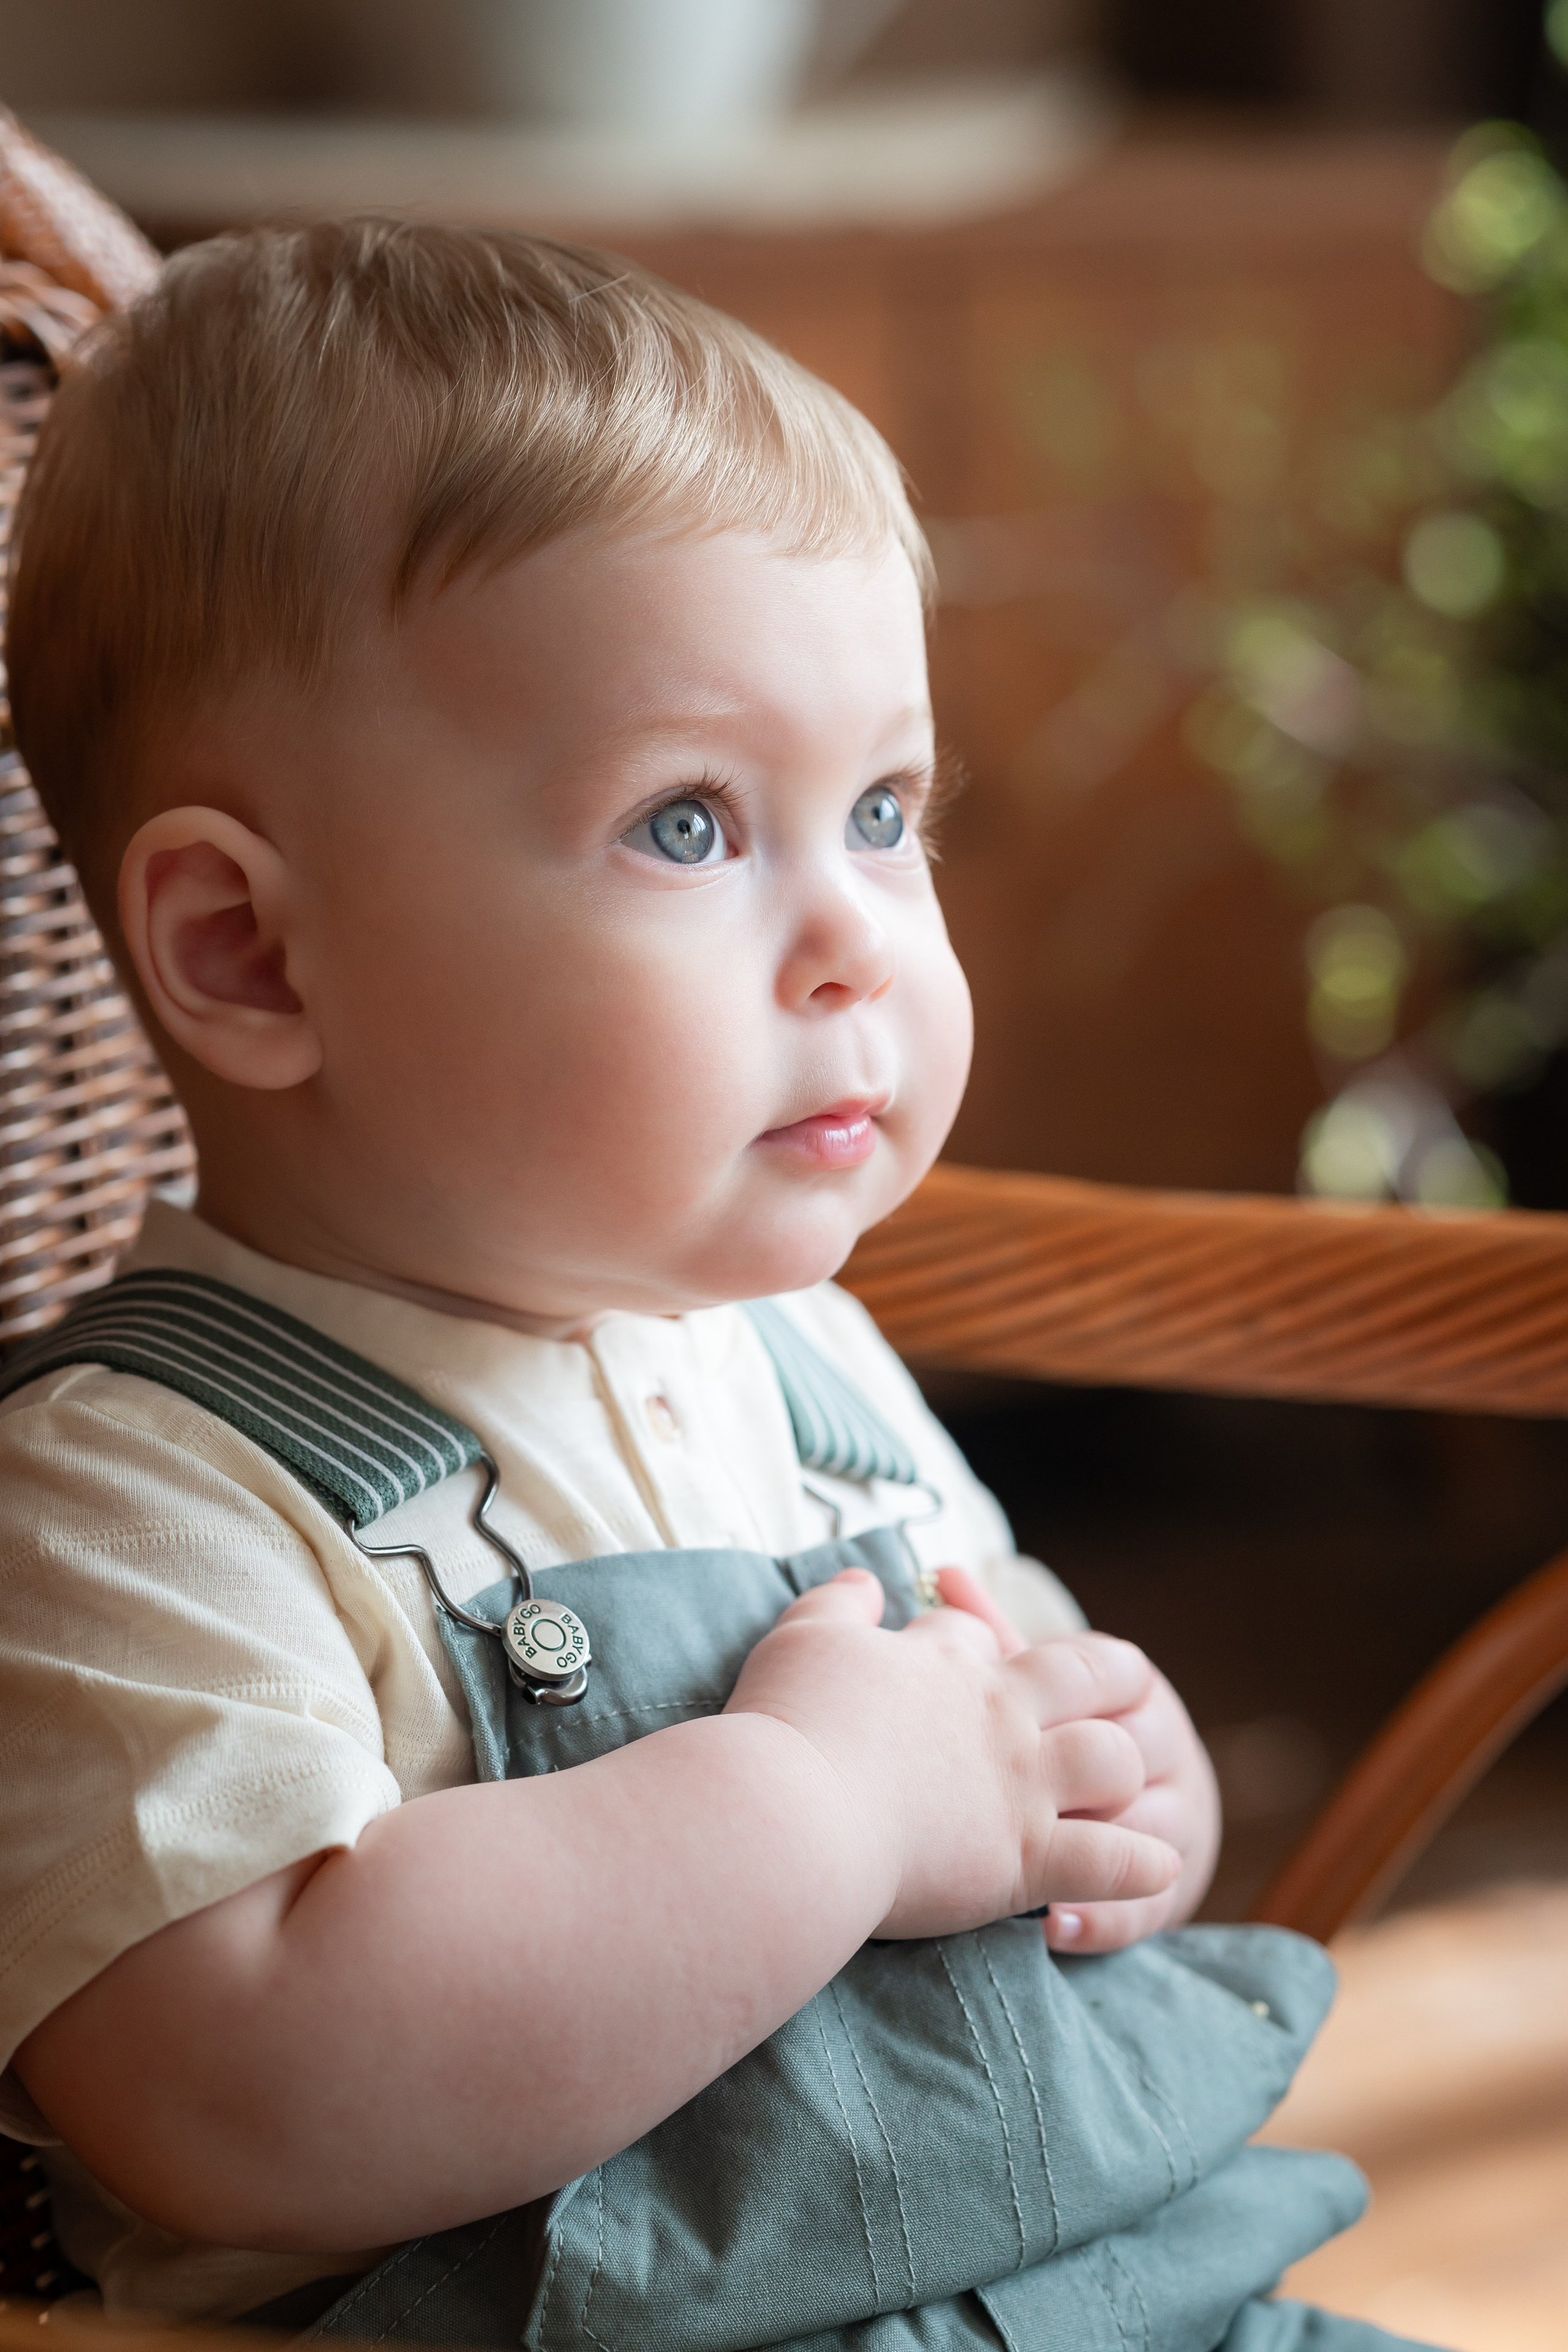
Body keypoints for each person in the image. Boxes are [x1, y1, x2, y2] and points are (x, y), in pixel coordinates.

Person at [0, 222, 1436, 2351]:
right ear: (251, 955)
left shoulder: (805, 1371)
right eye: (688, 825)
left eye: (885, 808)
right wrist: (820, 1807)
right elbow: (240, 2091)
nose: (858, 932)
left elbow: (1010, 1734)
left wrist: (1122, 1793)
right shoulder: (136, 1503)